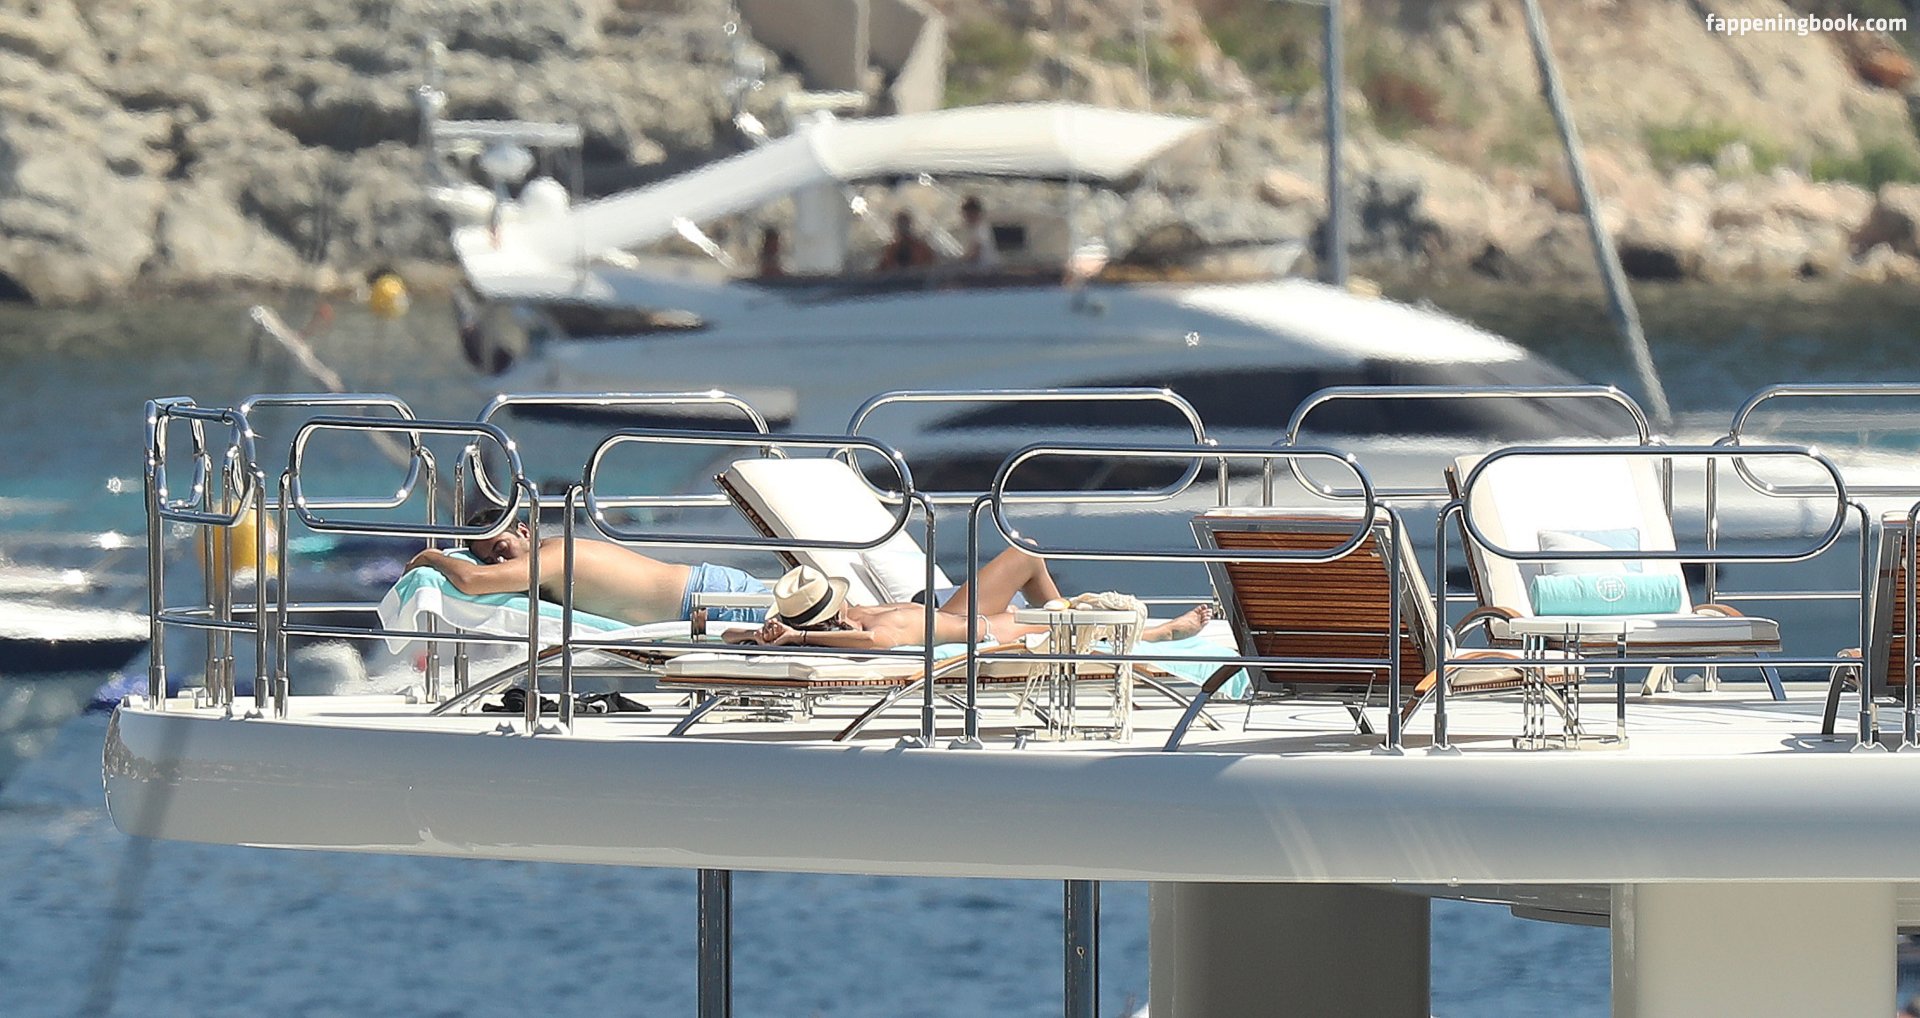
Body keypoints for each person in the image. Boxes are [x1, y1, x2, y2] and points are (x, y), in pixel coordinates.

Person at [725, 548, 1210, 651]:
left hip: (956, 613)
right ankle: (1160, 633)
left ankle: (1066, 609)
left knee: (1026, 556)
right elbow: (874, 643)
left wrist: (762, 633)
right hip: (988, 630)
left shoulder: (853, 614)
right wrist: (798, 637)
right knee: (1075, 622)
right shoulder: (868, 631)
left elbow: (729, 634)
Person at [406, 510, 768, 626]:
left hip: (714, 601)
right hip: (706, 601)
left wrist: (432, 557)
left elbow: (472, 581)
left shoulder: (552, 556)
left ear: (524, 532)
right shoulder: (545, 560)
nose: (499, 563)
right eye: (490, 560)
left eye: (501, 548)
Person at [958, 195, 1000, 269]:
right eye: (964, 215)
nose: (965, 218)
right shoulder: (973, 228)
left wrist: (957, 261)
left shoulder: (981, 229)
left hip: (985, 269)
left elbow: (974, 254)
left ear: (975, 213)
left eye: (967, 215)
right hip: (979, 268)